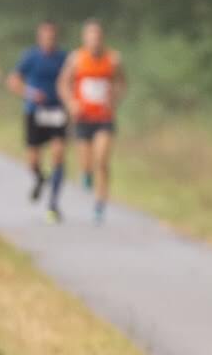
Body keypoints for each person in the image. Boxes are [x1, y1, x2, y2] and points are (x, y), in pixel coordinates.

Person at [57, 19, 125, 224]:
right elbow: (63, 83)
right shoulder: (76, 59)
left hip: (104, 118)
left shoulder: (113, 59)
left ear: (102, 38)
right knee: (86, 164)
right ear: (84, 38)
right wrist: (71, 103)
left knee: (102, 160)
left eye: (98, 36)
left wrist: (115, 99)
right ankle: (86, 174)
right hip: (82, 118)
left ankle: (99, 205)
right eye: (90, 36)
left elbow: (121, 82)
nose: (94, 40)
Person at [9, 21, 71, 221]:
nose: (48, 40)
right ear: (39, 38)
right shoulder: (31, 56)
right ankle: (39, 178)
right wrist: (29, 93)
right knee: (33, 161)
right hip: (35, 112)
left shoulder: (64, 58)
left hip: (57, 111)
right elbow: (13, 80)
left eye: (52, 37)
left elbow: (73, 81)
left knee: (58, 155)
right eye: (45, 37)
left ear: (56, 38)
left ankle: (53, 204)